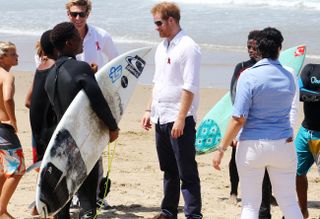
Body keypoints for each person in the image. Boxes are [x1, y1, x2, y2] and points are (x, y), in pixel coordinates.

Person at [212, 27, 303, 219]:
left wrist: (221, 149)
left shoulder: (248, 75)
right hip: (283, 146)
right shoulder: (290, 75)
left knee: (250, 206)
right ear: (280, 48)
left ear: (259, 49)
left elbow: (238, 119)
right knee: (288, 202)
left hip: (252, 147)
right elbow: (292, 109)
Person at [44, 22, 119, 219]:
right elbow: (97, 100)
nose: (82, 42)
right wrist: (112, 127)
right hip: (82, 140)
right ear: (69, 43)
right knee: (87, 198)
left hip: (61, 142)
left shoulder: (50, 75)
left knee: (63, 200)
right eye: (78, 38)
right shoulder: (80, 68)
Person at [141, 2, 202, 219]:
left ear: (171, 21)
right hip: (160, 116)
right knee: (168, 169)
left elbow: (190, 86)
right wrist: (149, 109)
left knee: (187, 171)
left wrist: (181, 118)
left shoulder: (188, 46)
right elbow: (157, 81)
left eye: (158, 23)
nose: (156, 27)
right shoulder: (162, 47)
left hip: (179, 118)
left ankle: (193, 214)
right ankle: (168, 211)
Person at [65, 0, 119, 210]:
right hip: (69, 97)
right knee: (72, 148)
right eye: (73, 14)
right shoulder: (60, 34)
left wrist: (101, 75)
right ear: (68, 13)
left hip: (92, 97)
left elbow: (115, 61)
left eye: (82, 14)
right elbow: (45, 60)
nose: (77, 19)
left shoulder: (100, 36)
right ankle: (75, 195)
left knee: (95, 147)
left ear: (88, 13)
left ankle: (96, 194)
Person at [229, 30, 275, 219]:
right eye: (248, 47)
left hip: (261, 122)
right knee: (236, 156)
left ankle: (266, 195)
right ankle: (233, 191)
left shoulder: (268, 69)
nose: (251, 51)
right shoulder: (241, 67)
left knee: (268, 162)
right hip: (242, 119)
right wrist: (240, 115)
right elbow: (233, 92)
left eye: (254, 47)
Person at [0, 41, 26, 219]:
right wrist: (13, 120)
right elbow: (8, 99)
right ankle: (1, 210)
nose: (17, 57)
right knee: (17, 169)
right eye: (13, 54)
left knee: (3, 170)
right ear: (2, 57)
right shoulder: (7, 77)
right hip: (4, 128)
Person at [295, 63, 320, 218]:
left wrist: (313, 96)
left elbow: (307, 94)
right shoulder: (310, 68)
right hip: (305, 132)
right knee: (297, 172)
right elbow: (300, 93)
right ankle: (303, 211)